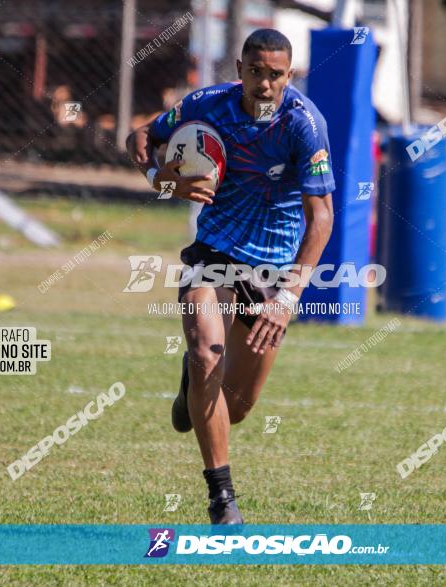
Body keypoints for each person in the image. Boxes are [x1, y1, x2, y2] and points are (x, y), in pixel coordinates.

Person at [126, 29, 335, 523]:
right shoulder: (207, 103)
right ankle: (222, 498)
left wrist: (287, 297)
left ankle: (191, 384)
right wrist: (164, 181)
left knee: (235, 406)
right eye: (256, 72)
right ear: (239, 69)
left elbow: (321, 217)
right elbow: (141, 138)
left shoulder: (303, 124)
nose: (265, 85)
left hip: (272, 270)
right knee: (207, 353)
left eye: (276, 75)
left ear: (290, 75)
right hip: (212, 253)